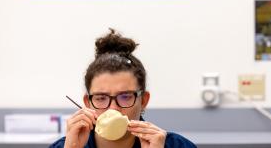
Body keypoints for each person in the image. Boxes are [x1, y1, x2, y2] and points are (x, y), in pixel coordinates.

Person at [50, 29, 196, 148]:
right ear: (87, 103)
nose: (113, 109)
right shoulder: (66, 146)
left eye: (125, 97)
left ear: (143, 100)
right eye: (101, 98)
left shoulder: (177, 145)